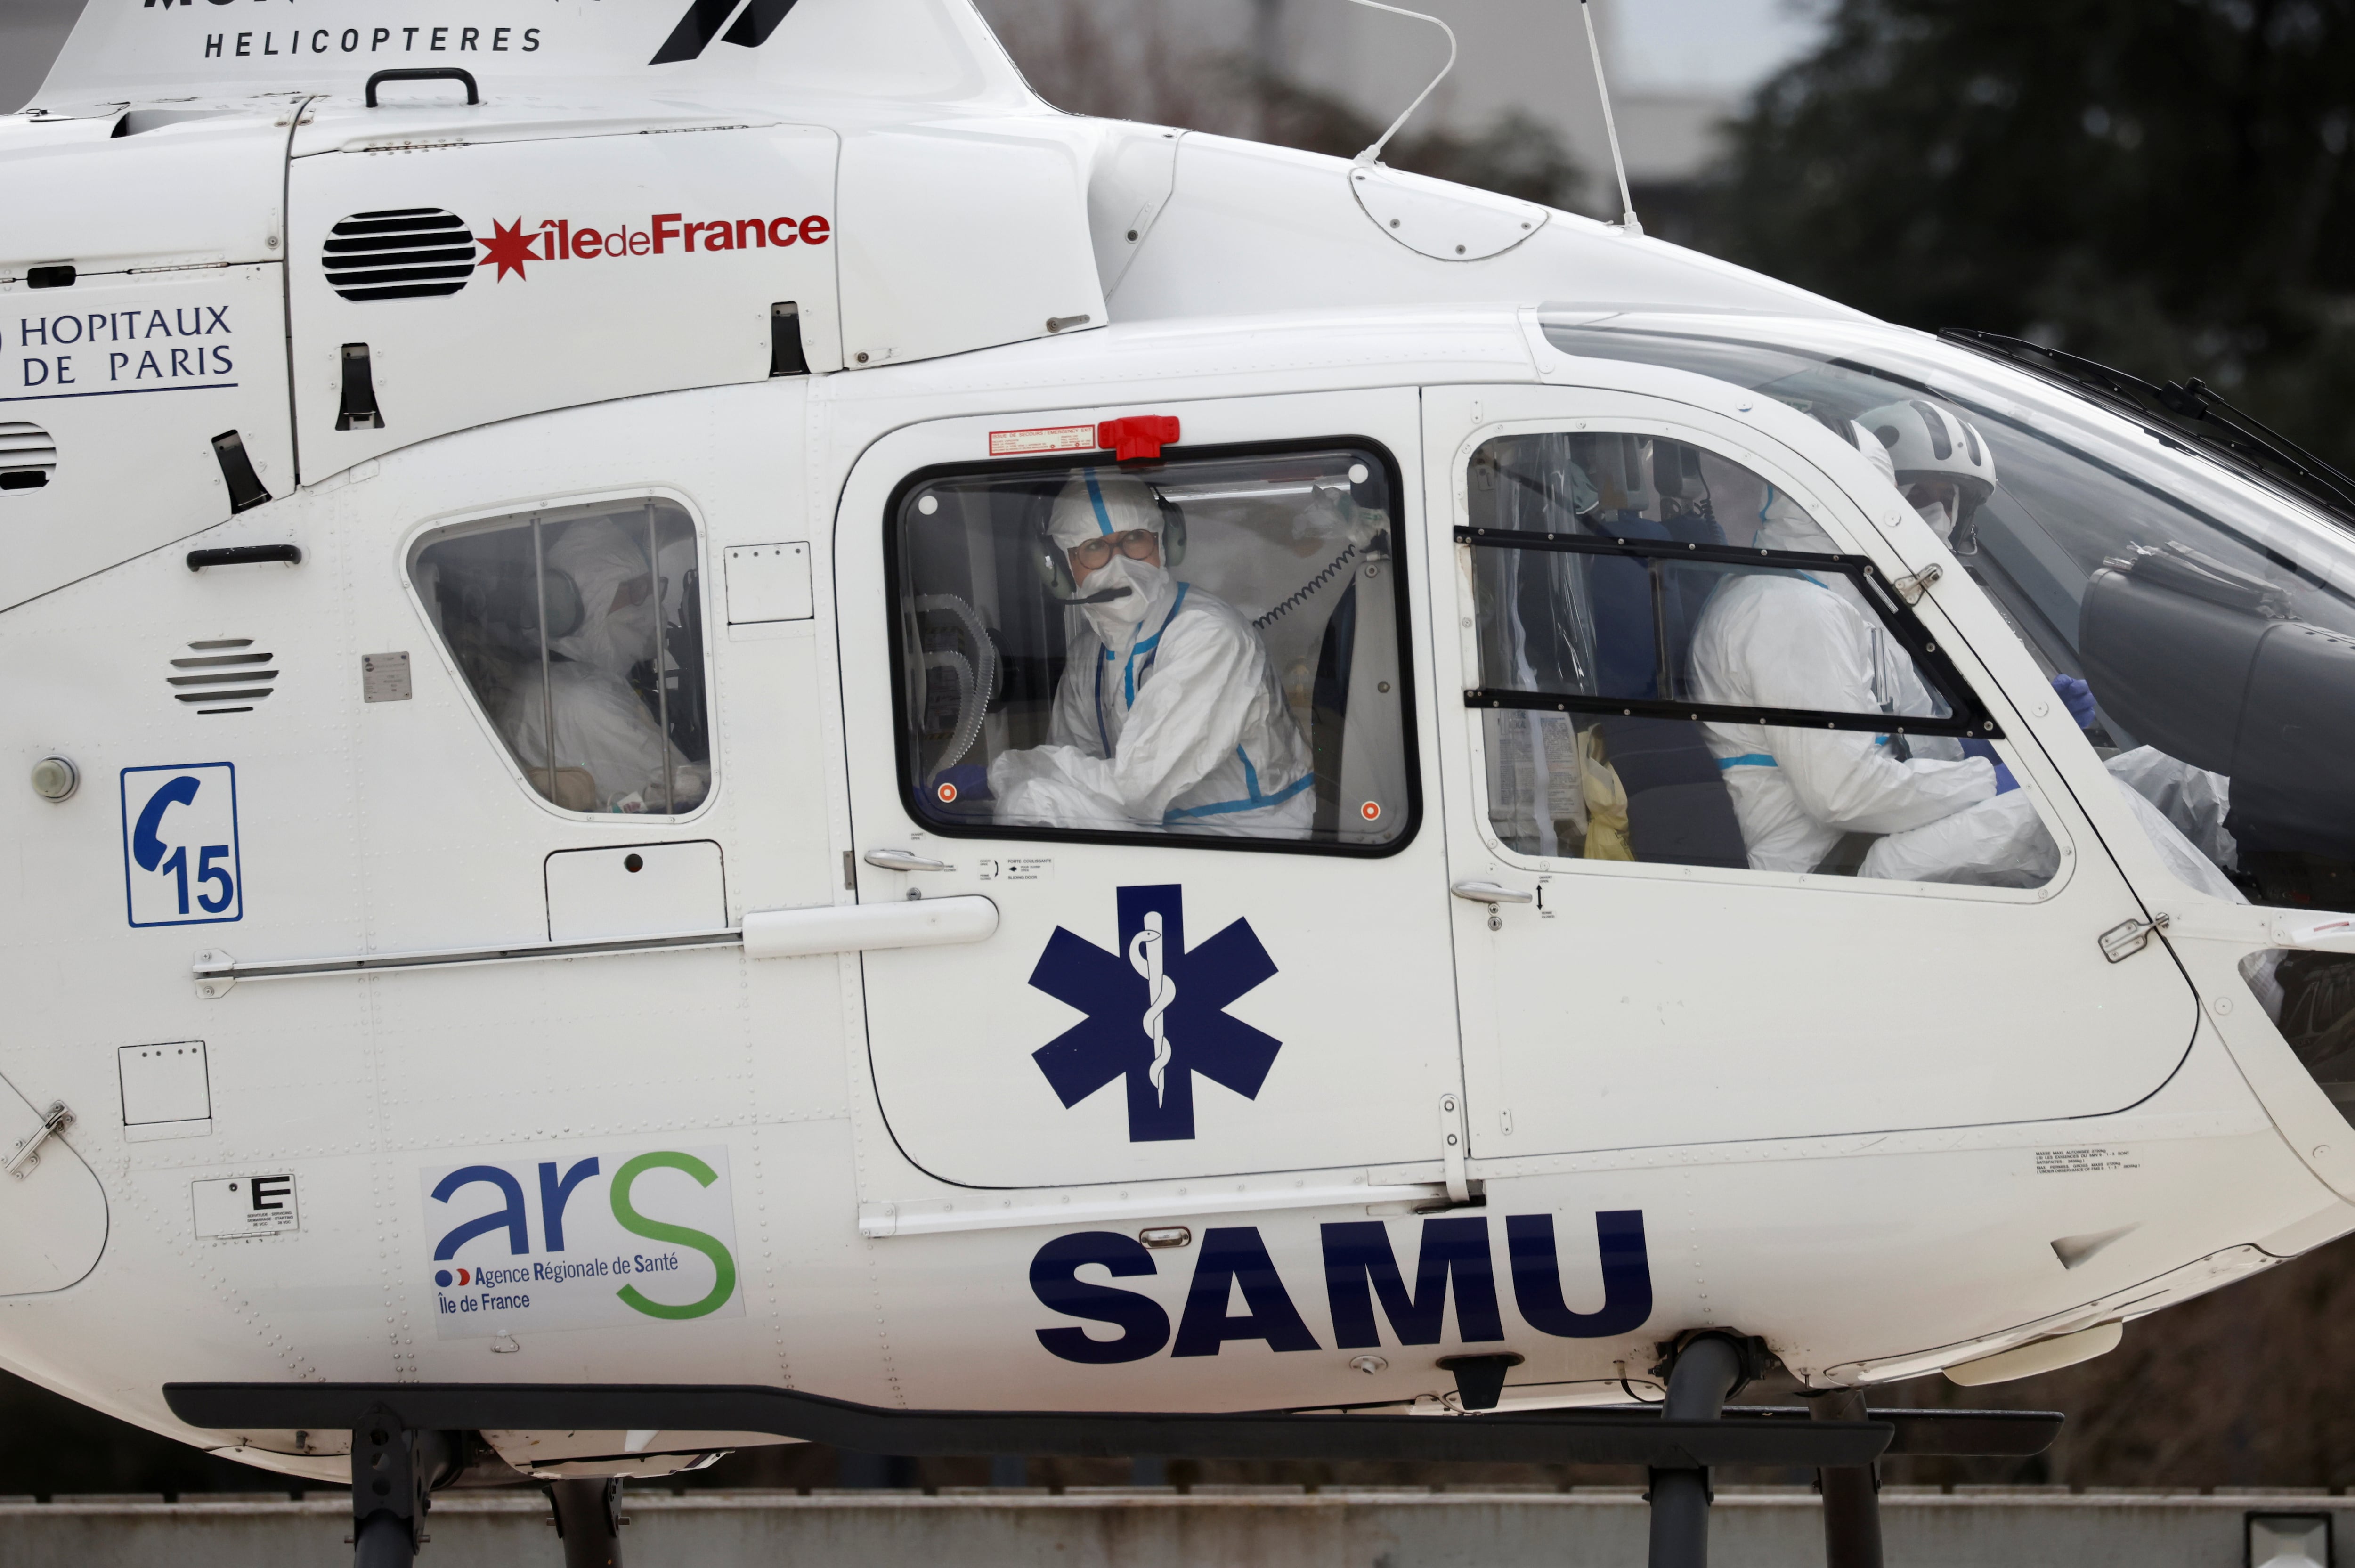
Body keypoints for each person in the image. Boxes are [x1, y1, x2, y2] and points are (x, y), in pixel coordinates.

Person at [976, 470, 1314, 836]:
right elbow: (1076, 758)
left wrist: (1000, 775)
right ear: (1060, 566)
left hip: (1250, 837)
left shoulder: (1209, 635)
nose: (1119, 565)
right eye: (1094, 548)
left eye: (1135, 539)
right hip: (1156, 832)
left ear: (1164, 542)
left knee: (1032, 802)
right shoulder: (1088, 654)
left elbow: (1136, 784)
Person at [496, 518, 706, 813]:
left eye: (650, 589)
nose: (650, 606)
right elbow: (687, 796)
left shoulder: (570, 679)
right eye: (634, 591)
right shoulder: (581, 702)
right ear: (576, 606)